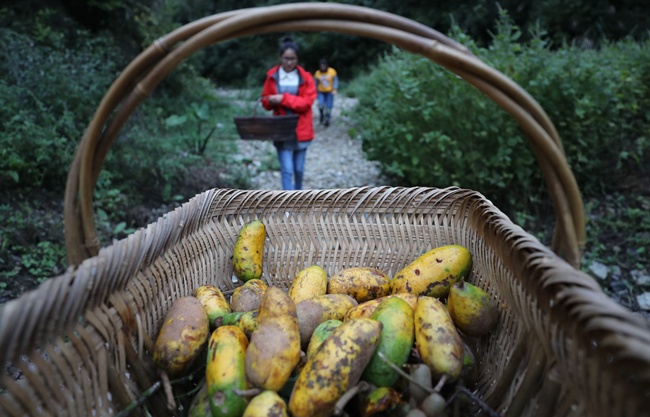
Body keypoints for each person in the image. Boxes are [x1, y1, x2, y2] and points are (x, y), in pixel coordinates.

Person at [261, 36, 317, 191]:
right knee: (287, 170)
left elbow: (306, 103)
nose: (289, 62)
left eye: (293, 59)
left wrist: (283, 99)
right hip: (281, 128)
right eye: (286, 58)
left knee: (298, 170)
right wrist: (269, 101)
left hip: (302, 128)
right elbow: (265, 102)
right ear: (280, 58)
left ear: (297, 59)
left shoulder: (306, 78)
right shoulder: (272, 77)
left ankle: (298, 198)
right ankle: (288, 203)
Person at [313, 58, 338, 126]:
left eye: (324, 66)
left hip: (329, 92)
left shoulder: (332, 71)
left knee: (329, 106)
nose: (323, 67)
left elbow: (335, 80)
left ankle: (327, 118)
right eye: (321, 66)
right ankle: (321, 114)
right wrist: (315, 92)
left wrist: (334, 89)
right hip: (321, 92)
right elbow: (315, 83)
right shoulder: (317, 73)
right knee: (321, 104)